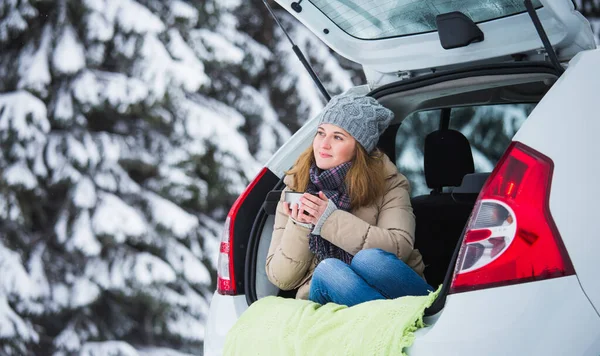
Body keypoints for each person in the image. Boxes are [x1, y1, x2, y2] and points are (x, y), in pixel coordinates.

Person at [265, 93, 432, 307]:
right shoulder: (296, 184)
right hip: (330, 291)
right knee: (328, 270)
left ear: (359, 148)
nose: (323, 145)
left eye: (338, 137)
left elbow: (399, 249)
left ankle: (394, 320)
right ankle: (395, 324)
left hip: (393, 288)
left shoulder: (388, 183)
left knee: (369, 260)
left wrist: (330, 220)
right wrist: (301, 225)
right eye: (321, 133)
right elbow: (281, 278)